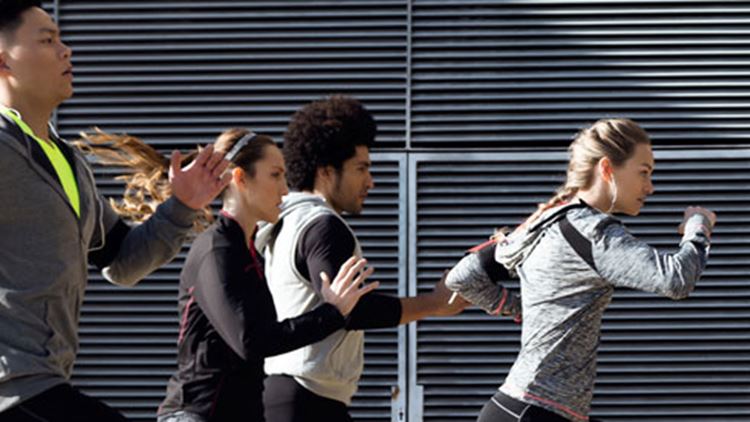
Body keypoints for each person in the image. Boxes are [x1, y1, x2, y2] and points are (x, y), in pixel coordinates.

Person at [0, 1, 232, 420]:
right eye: (48, 40)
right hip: (13, 390)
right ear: (3, 61)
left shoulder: (69, 163)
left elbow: (122, 262)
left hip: (45, 384)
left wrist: (181, 206)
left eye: (61, 38)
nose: (65, 49)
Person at [77, 129, 380, 422]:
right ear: (239, 178)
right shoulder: (217, 250)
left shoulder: (249, 252)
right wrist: (332, 312)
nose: (285, 189)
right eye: (275, 175)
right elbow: (251, 341)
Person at [445, 118, 716, 422]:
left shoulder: (546, 221)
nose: (650, 187)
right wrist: (698, 225)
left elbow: (463, 276)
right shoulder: (591, 231)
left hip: (526, 410)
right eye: (644, 172)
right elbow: (675, 279)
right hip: (534, 412)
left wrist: (523, 310)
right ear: (607, 168)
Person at [256, 94, 468, 422]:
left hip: (292, 394)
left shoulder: (285, 220)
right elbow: (352, 310)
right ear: (326, 171)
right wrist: (435, 303)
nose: (370, 181)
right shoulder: (322, 226)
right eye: (361, 169)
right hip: (306, 401)